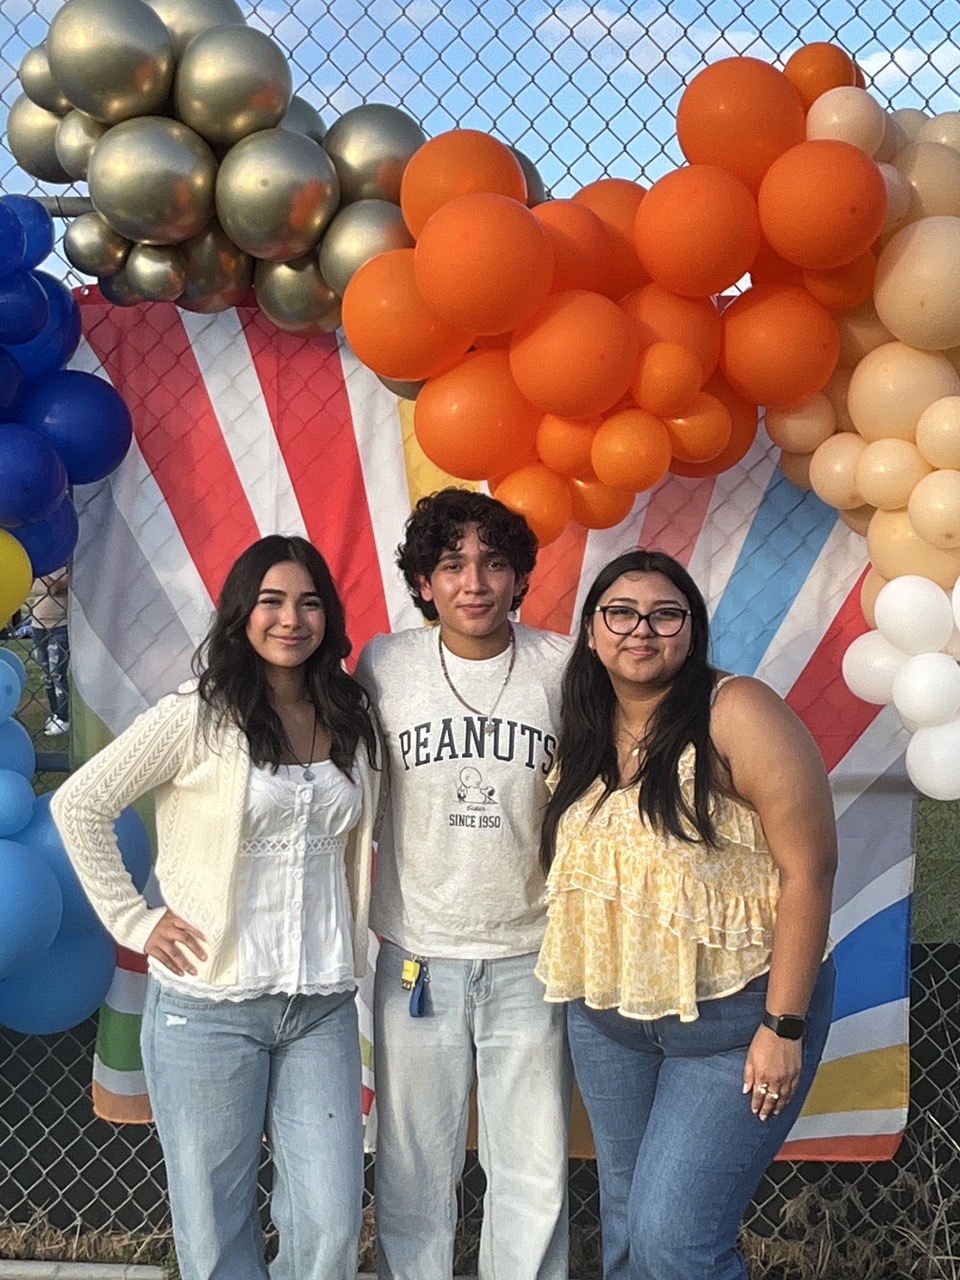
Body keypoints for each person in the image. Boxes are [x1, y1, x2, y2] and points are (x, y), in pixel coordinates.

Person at [52, 535, 380, 1280]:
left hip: (321, 1005)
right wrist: (135, 921)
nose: (291, 619)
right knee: (214, 1227)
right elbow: (80, 804)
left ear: (328, 616)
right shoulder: (198, 716)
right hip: (208, 1008)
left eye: (309, 603)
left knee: (330, 1225)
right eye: (272, 601)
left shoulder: (348, 715)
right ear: (241, 613)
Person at [536, 549, 837, 1280]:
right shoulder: (584, 723)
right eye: (621, 613)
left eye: (664, 615)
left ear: (692, 630)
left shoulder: (737, 711)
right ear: (592, 631)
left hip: (735, 1022)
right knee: (627, 1228)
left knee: (676, 1243)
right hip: (608, 1021)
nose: (642, 630)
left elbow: (810, 869)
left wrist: (783, 1027)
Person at [355, 488, 572, 1280]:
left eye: (493, 563)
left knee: (533, 1170)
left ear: (520, 577)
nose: (474, 582)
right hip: (419, 954)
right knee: (414, 1168)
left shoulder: (561, 665)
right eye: (452, 565)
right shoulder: (384, 664)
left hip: (531, 953)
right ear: (424, 582)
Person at [31, 567, 70, 735]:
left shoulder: (66, 569)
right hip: (38, 627)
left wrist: (42, 572)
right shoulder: (38, 570)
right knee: (46, 675)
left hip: (59, 627)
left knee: (57, 673)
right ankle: (55, 713)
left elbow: (55, 589)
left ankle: (64, 717)